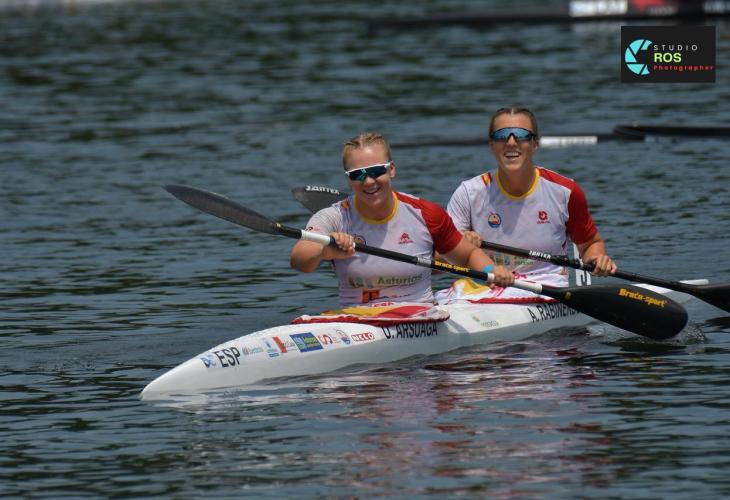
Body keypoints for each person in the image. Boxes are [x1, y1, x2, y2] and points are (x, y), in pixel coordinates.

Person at [290, 132, 513, 306]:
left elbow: (469, 255)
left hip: (421, 317)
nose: (369, 181)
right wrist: (325, 249)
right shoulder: (333, 217)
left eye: (376, 171)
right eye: (358, 175)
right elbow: (300, 262)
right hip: (357, 320)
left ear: (392, 170)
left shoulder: (426, 213)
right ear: (349, 180)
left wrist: (490, 272)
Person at [446, 107, 616, 292]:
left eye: (521, 135)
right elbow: (440, 257)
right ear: (492, 145)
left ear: (535, 144)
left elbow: (590, 244)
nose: (511, 142)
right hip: (486, 284)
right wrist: (460, 244)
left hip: (545, 286)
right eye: (502, 136)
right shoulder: (468, 193)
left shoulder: (565, 192)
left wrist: (596, 259)